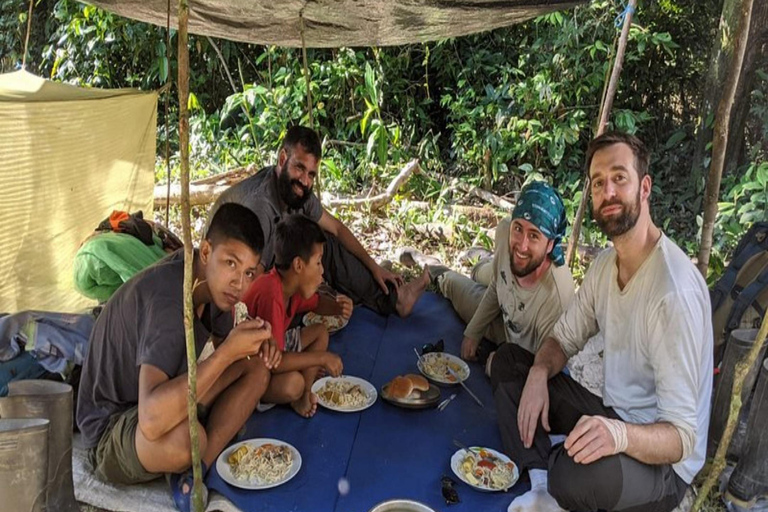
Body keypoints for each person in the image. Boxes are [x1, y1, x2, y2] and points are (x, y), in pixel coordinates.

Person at [496, 132, 713, 512]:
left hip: (663, 465)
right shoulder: (604, 266)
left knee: (576, 476)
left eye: (619, 177)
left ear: (644, 187)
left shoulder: (672, 292)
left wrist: (618, 436)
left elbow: (682, 438)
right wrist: (538, 373)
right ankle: (541, 482)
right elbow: (562, 339)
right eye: (599, 182)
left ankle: (555, 477)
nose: (608, 191)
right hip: (613, 415)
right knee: (509, 363)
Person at [77, 203, 277, 512]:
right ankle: (194, 453)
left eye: (249, 272)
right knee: (189, 439)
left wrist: (258, 345)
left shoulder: (214, 290)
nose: (240, 283)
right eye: (230, 263)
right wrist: (226, 354)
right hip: (112, 429)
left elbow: (232, 356)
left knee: (257, 370)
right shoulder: (169, 298)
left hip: (160, 405)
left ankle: (196, 472)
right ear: (206, 252)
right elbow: (153, 420)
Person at [209, 125, 429, 317]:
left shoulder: (296, 190)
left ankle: (394, 298)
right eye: (300, 168)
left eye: (312, 174)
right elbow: (250, 281)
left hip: (268, 271)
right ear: (282, 159)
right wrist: (302, 288)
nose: (305, 181)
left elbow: (337, 229)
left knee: (324, 243)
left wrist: (374, 268)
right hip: (233, 285)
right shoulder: (260, 207)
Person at [432, 181, 575, 376]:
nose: (522, 245)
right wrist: (473, 332)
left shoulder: (557, 296)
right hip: (503, 289)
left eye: (534, 236)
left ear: (550, 245)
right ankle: (439, 266)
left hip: (513, 336)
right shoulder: (504, 231)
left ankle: (481, 261)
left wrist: (502, 363)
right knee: (457, 282)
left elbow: (544, 367)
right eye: (518, 229)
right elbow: (496, 286)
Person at [242, 214, 351, 418]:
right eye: (318, 263)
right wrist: (321, 358)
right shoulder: (271, 293)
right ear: (299, 265)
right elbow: (276, 363)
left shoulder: (291, 286)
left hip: (276, 352)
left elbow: (318, 304)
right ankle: (297, 392)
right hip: (254, 367)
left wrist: (339, 308)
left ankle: (306, 394)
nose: (322, 271)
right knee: (294, 384)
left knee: (319, 332)